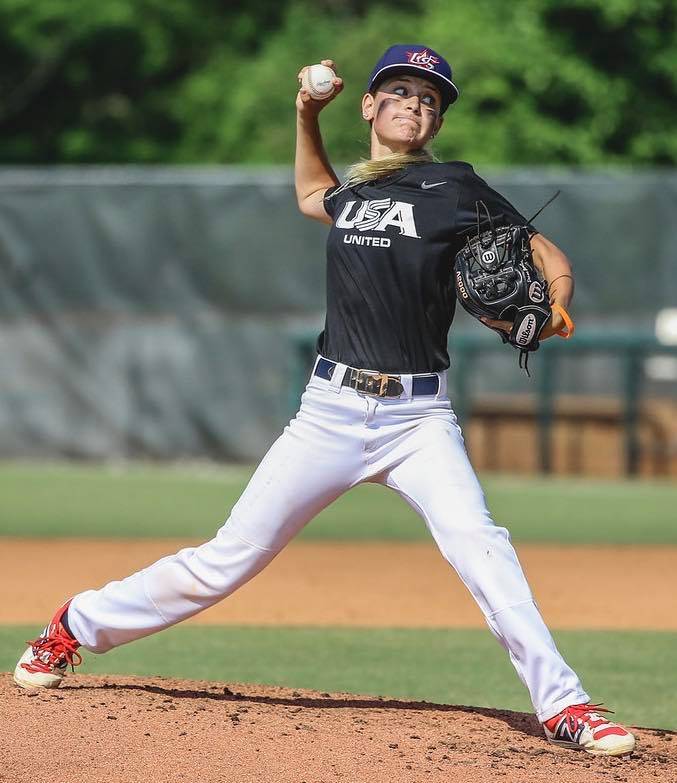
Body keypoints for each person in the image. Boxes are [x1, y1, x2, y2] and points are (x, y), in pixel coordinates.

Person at [16, 44, 634, 757]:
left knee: (481, 545)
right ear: (369, 105)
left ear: (436, 121)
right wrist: (306, 112)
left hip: (418, 419)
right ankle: (75, 624)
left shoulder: (457, 189)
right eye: (399, 91)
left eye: (429, 98)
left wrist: (554, 306)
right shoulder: (355, 195)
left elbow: (547, 254)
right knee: (228, 558)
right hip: (330, 413)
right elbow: (312, 194)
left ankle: (565, 704)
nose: (414, 104)